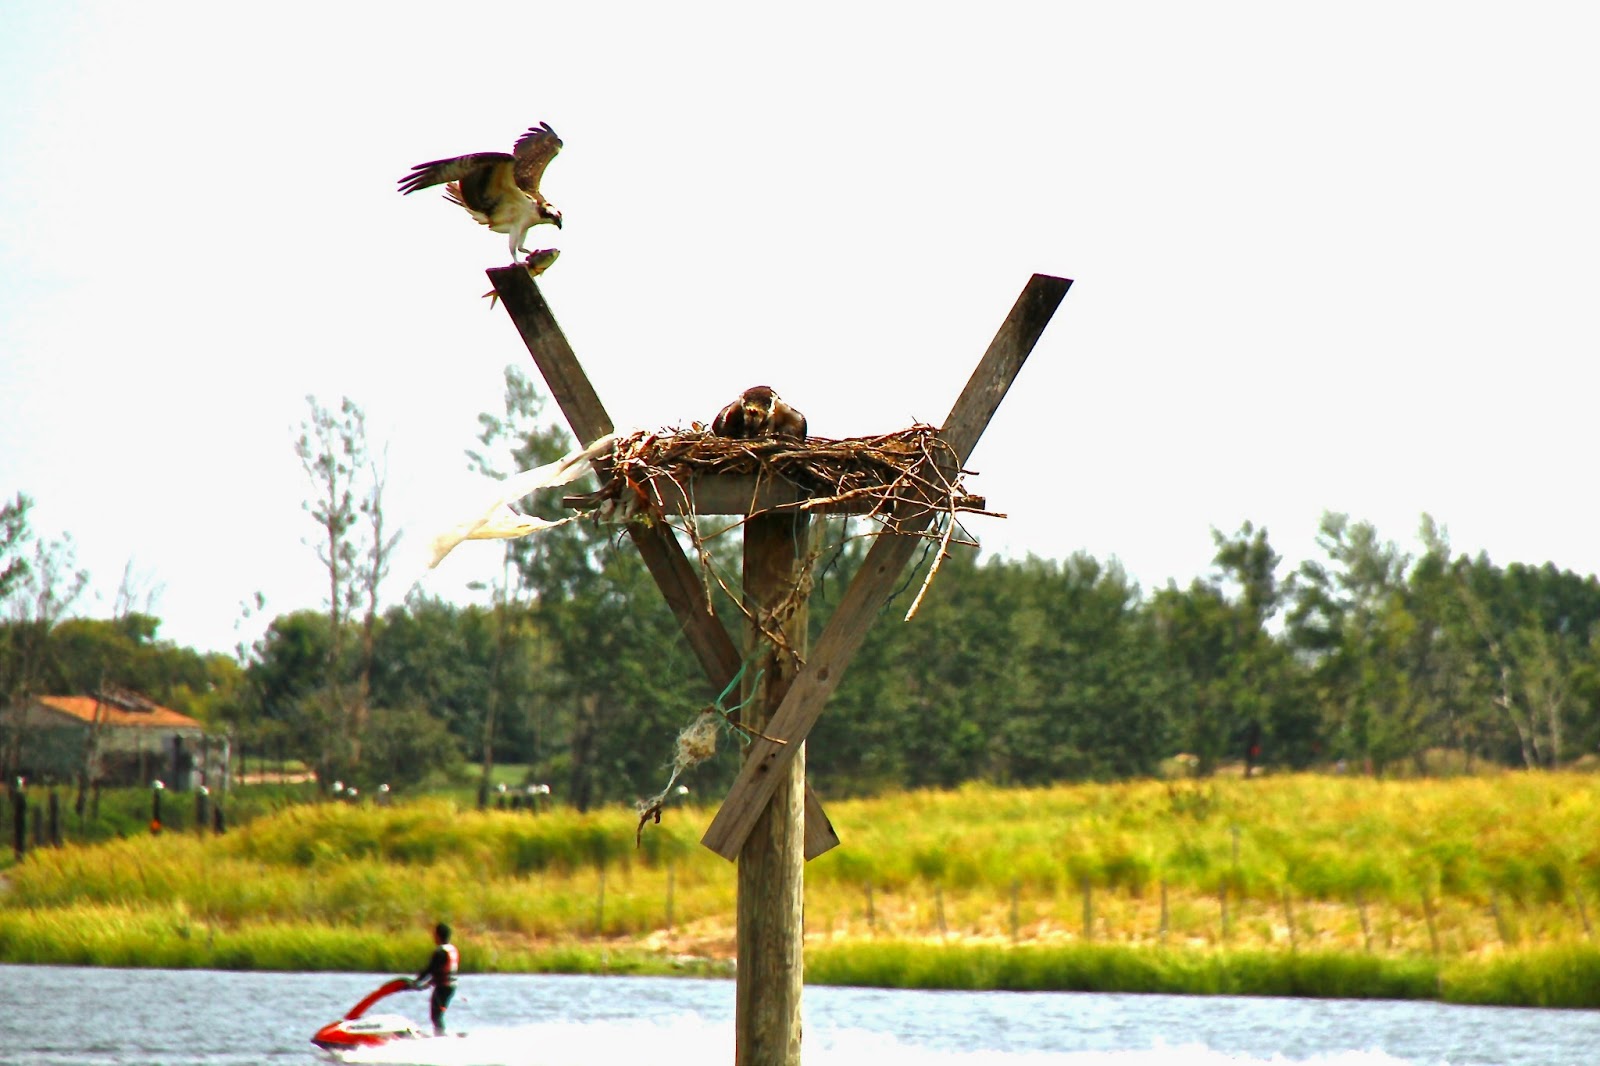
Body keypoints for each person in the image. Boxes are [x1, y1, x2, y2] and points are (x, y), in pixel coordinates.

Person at [411, 921, 459, 1035]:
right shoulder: (451, 949)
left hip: (443, 987)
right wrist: (428, 981)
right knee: (438, 1014)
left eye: (434, 934)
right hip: (451, 986)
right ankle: (441, 1033)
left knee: (436, 1015)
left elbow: (430, 969)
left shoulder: (440, 952)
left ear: (438, 935)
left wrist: (416, 981)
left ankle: (441, 1036)